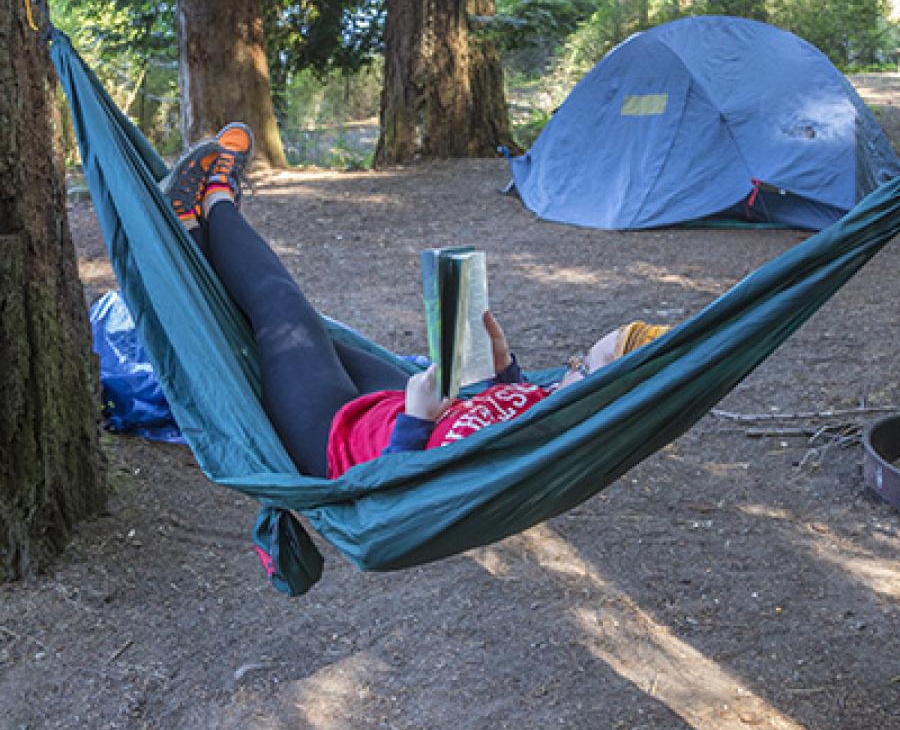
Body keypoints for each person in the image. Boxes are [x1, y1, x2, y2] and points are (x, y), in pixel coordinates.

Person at [164, 124, 670, 479]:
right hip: (394, 404)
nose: (567, 369)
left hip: (337, 439)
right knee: (298, 323)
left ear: (601, 402)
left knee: (282, 313)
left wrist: (417, 421)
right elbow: (507, 414)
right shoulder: (552, 414)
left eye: (582, 367)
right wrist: (504, 374)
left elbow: (403, 493)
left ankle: (216, 200)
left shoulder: (533, 457)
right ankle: (196, 230)